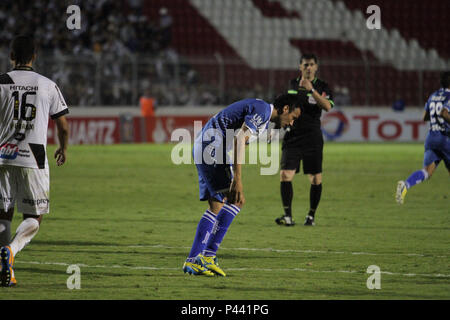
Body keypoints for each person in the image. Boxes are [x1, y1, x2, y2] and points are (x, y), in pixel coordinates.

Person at [183, 94, 302, 277]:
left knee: (217, 204)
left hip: (206, 146)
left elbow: (241, 142)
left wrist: (233, 171)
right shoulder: (262, 110)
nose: (291, 123)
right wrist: (237, 179)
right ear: (285, 109)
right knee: (235, 200)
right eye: (293, 118)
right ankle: (206, 257)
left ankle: (194, 261)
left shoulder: (261, 115)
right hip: (212, 148)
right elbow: (239, 139)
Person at [0, 35, 69, 287]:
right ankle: (10, 251)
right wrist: (63, 148)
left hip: (3, 155)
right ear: (35, 56)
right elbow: (62, 125)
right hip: (34, 156)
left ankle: (3, 267)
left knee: (3, 214)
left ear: (11, 56)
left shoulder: (1, 83)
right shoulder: (47, 85)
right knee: (34, 215)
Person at [275, 53, 334, 227]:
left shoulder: (323, 86)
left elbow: (328, 106)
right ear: (300, 67)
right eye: (305, 65)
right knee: (285, 175)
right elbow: (288, 105)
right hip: (293, 134)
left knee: (315, 178)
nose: (308, 68)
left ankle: (311, 216)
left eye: (311, 65)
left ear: (316, 67)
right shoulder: (293, 84)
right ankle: (287, 216)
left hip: (313, 136)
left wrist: (311, 90)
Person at [396, 71, 450, 204]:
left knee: (427, 172)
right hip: (446, 138)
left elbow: (424, 117)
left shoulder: (434, 95)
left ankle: (406, 185)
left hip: (432, 137)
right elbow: (444, 112)